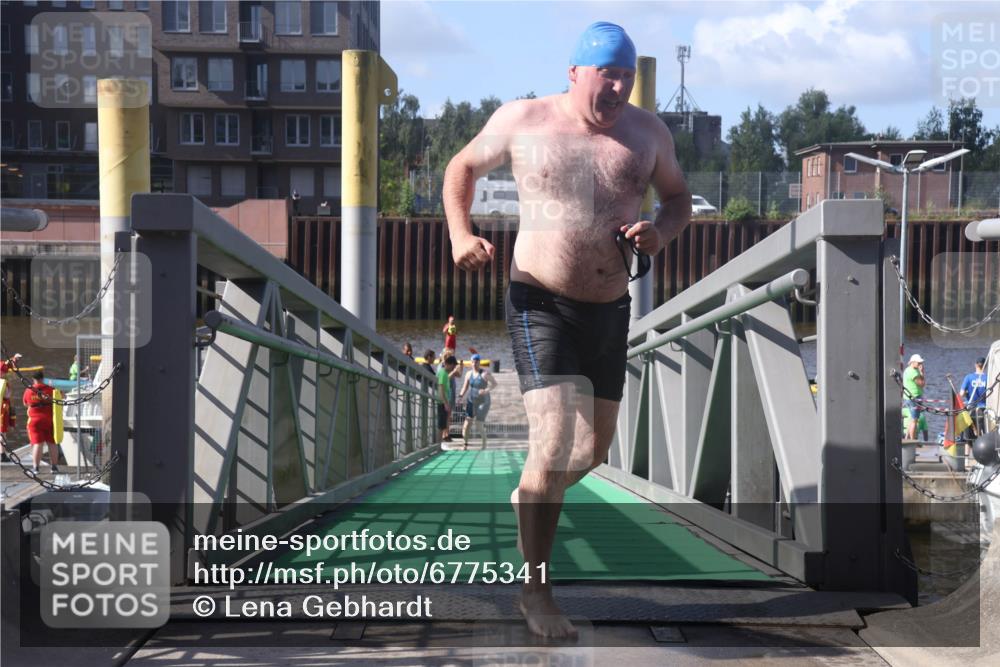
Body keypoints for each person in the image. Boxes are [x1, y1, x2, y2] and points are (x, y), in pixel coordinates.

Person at [443, 22, 690, 638]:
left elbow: (678, 199)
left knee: (590, 452)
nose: (618, 87)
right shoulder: (525, 119)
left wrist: (661, 231)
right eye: (607, 74)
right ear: (575, 72)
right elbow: (460, 167)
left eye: (627, 77)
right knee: (551, 445)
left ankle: (532, 493)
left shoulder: (647, 133)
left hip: (610, 306)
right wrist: (458, 233)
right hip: (539, 301)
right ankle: (537, 591)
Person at [22, 370, 60, 474]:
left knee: (37, 444)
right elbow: (61, 398)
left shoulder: (28, 390)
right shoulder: (50, 389)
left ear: (33, 379)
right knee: (52, 443)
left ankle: (36, 468)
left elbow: (25, 404)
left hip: (34, 421)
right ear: (43, 378)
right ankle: (54, 468)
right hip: (49, 420)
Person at [458, 353, 498, 449]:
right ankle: (465, 444)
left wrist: (486, 390)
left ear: (479, 362)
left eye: (477, 362)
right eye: (473, 362)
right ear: (471, 363)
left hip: (483, 401)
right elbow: (465, 387)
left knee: (479, 424)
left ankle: (484, 444)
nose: (475, 364)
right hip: (472, 401)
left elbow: (494, 384)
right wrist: (460, 396)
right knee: (467, 423)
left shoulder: (485, 374)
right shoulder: (468, 374)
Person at [960, 356, 988, 440]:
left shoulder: (968, 377)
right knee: (983, 434)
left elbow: (961, 394)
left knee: (969, 437)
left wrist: (967, 393)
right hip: (983, 409)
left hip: (971, 408)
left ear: (975, 365)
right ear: (985, 366)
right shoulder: (988, 378)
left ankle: (967, 453)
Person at [902, 353, 926, 441]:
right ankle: (913, 440)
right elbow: (922, 384)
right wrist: (922, 372)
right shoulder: (913, 372)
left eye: (921, 363)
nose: (920, 365)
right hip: (914, 398)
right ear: (913, 362)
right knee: (914, 420)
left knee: (912, 418)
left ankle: (907, 438)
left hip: (909, 397)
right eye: (919, 363)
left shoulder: (908, 370)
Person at [436, 355, 458, 445]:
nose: (453, 368)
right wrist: (445, 403)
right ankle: (437, 445)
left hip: (444, 402)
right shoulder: (442, 373)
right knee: (441, 426)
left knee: (443, 424)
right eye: (453, 366)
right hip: (441, 402)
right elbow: (441, 388)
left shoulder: (445, 373)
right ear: (449, 364)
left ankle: (439, 445)